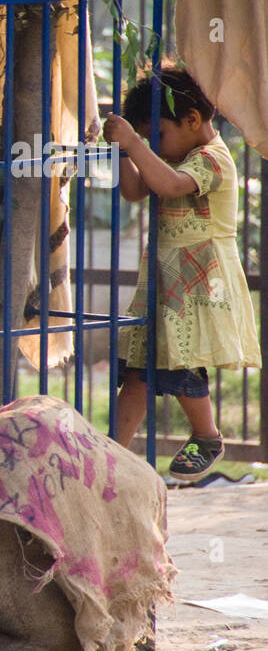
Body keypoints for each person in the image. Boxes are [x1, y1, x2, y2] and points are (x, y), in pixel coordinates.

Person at [104, 64, 261, 480]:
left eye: (158, 136)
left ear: (192, 120)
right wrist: (125, 151)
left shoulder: (211, 159)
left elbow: (171, 185)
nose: (153, 146)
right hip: (166, 277)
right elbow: (136, 190)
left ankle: (206, 434)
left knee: (183, 360)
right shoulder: (173, 156)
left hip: (199, 277)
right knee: (139, 368)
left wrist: (135, 144)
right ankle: (107, 454)